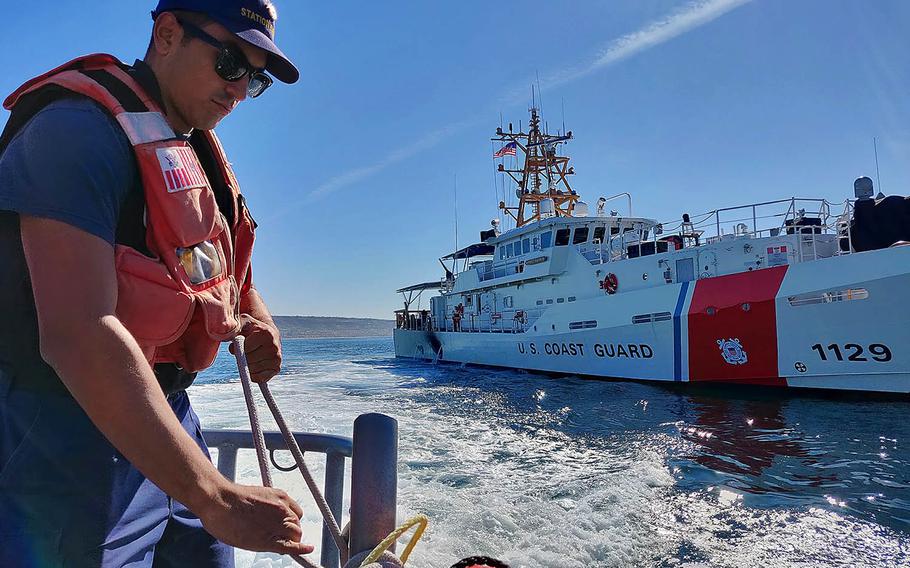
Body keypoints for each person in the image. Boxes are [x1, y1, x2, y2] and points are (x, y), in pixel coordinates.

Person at [0, 1, 312, 566]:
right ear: (167, 34)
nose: (240, 90)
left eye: (256, 78)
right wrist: (214, 496)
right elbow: (76, 332)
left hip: (168, 419)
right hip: (64, 436)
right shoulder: (73, 134)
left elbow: (224, 273)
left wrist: (256, 317)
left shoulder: (194, 154)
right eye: (229, 63)